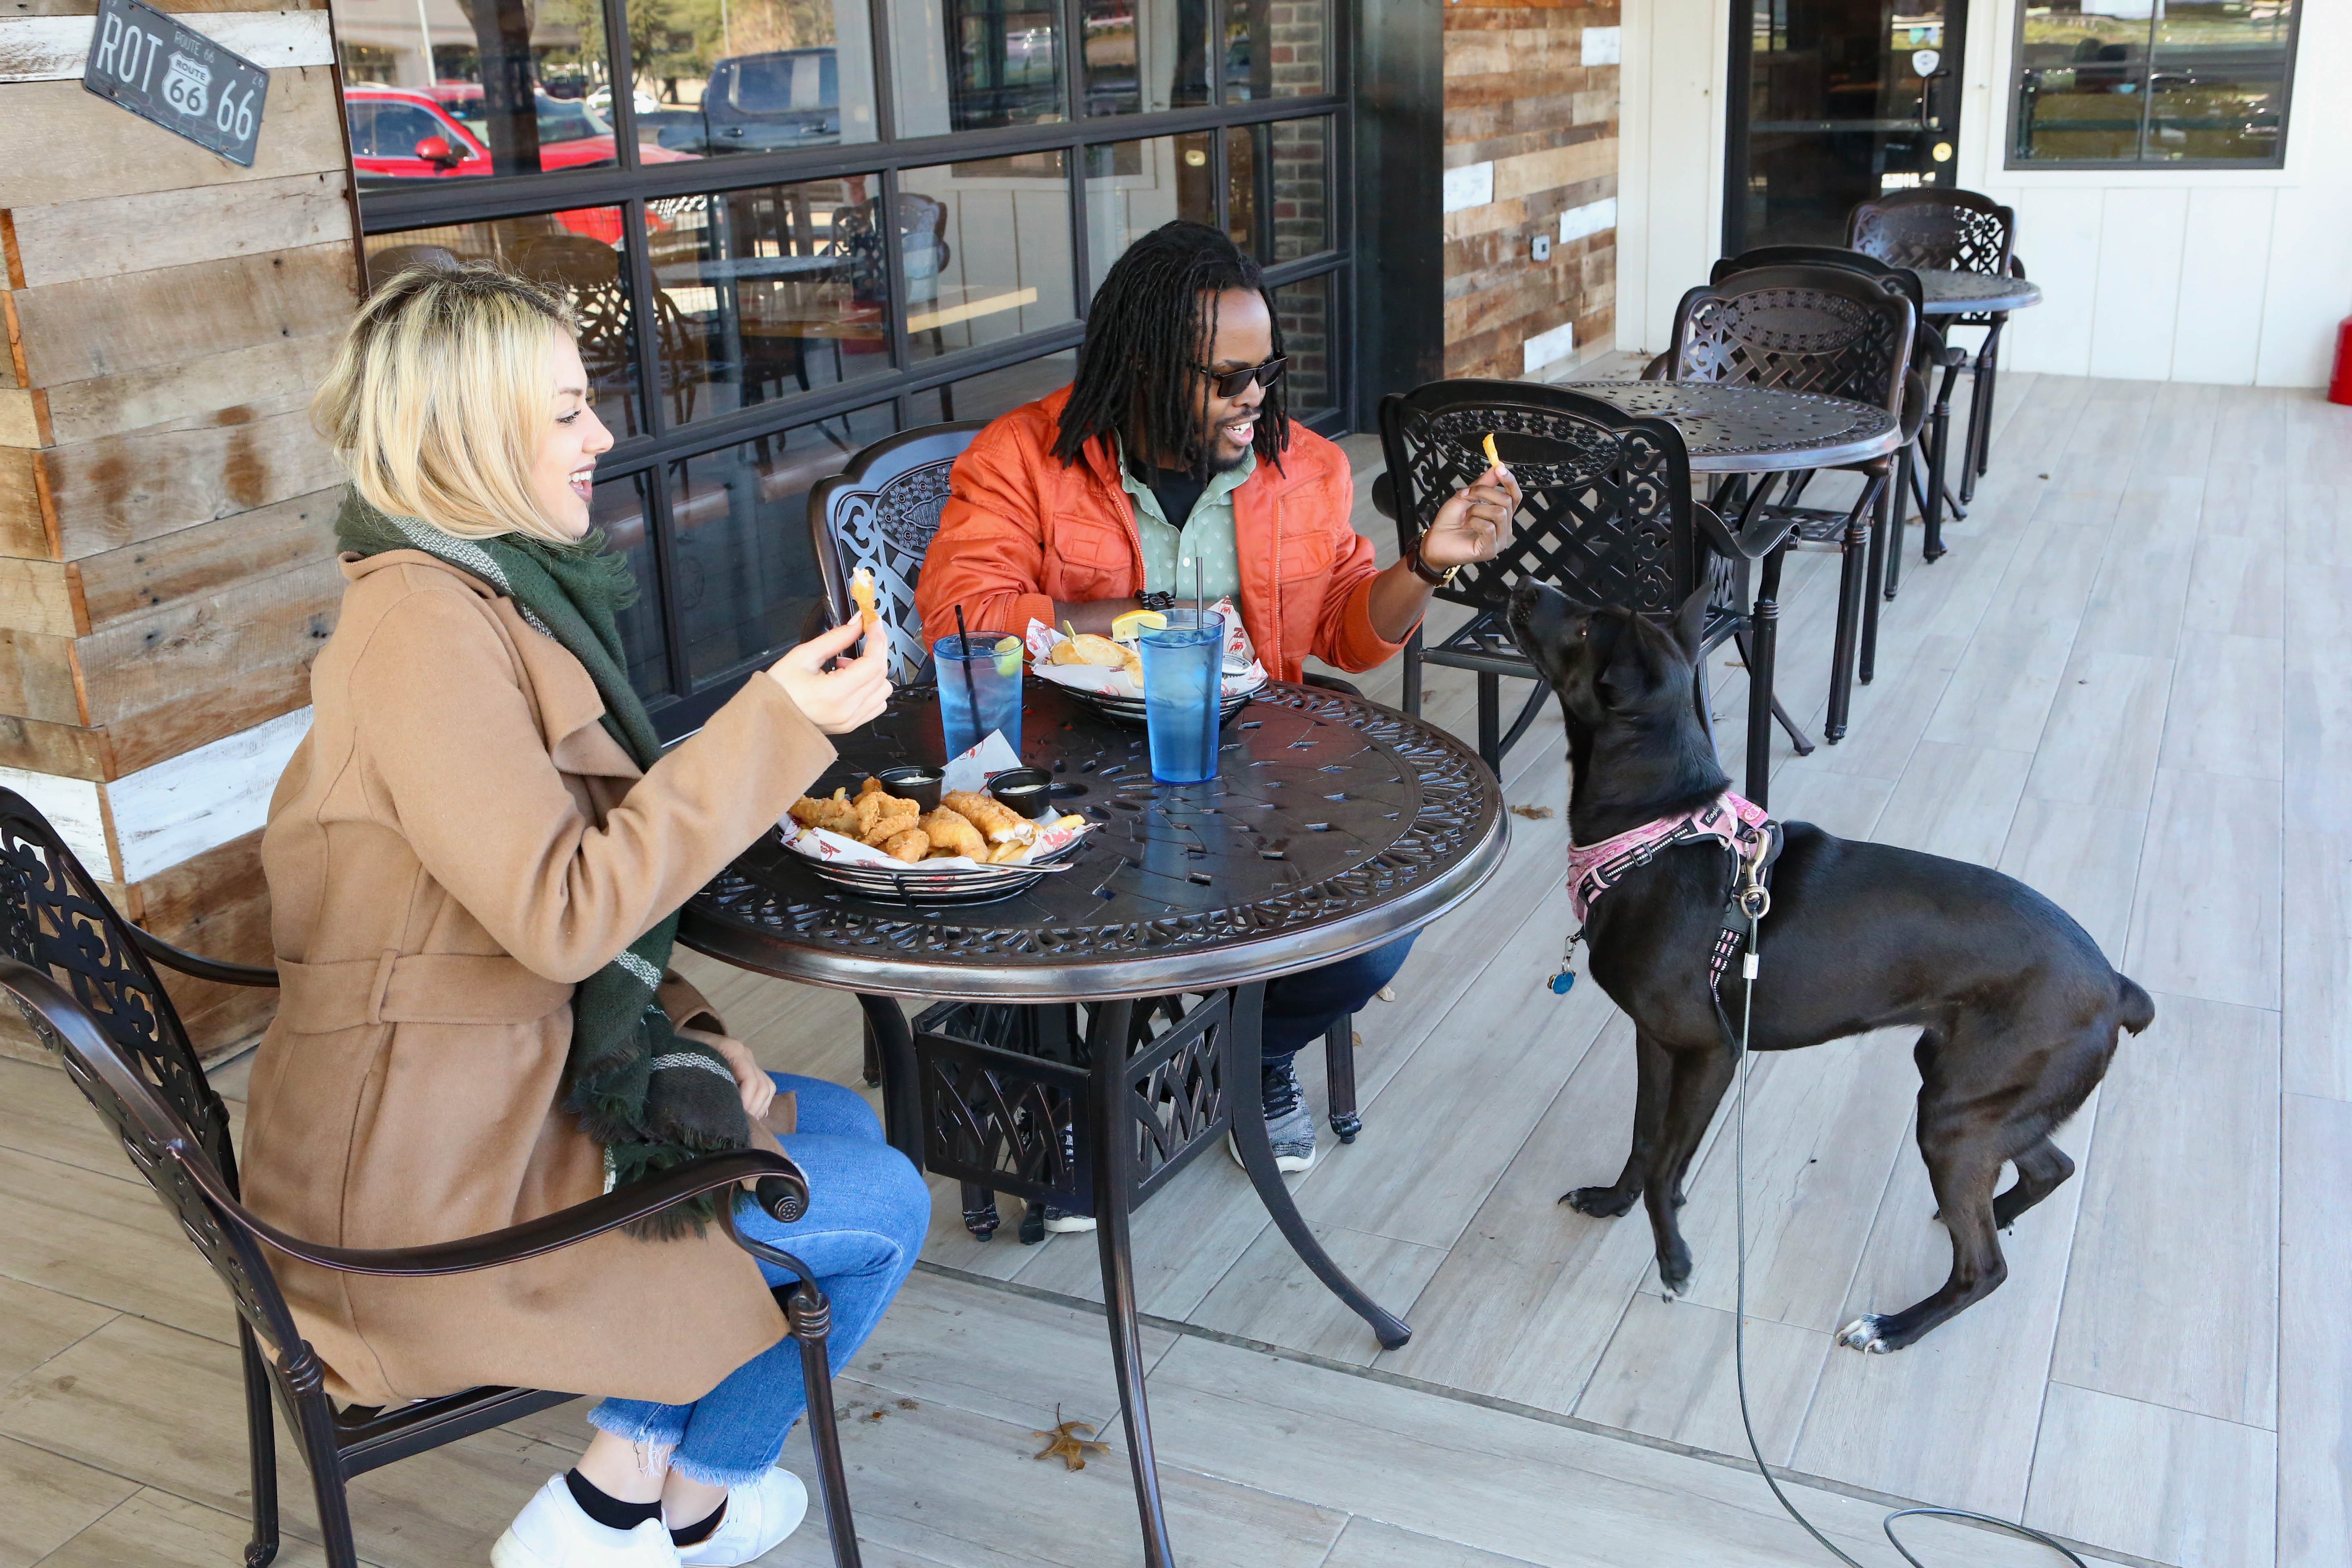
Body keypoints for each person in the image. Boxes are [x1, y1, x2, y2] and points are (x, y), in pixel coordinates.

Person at [240, 262, 928, 1568]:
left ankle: (660, 1497)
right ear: (472, 435)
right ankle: (638, 1503)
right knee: (883, 1201)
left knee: (821, 1118)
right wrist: (775, 725)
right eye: (566, 411)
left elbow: (538, 899)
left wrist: (690, 1020)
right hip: (422, 1187)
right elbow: (563, 917)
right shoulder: (423, 631)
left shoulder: (480, 591)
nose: (602, 435)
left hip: (486, 1081)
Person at [915, 220, 1518, 1180]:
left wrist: (1426, 564)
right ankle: (1078, 1078)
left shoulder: (1305, 466)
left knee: (1373, 938)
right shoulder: (1024, 456)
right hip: (1060, 777)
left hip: (1245, 773)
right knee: (1068, 923)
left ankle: (1249, 1054)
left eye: (1265, 369)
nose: (1255, 398)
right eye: (1226, 378)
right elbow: (960, 612)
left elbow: (1346, 632)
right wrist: (1156, 617)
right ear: (1146, 367)